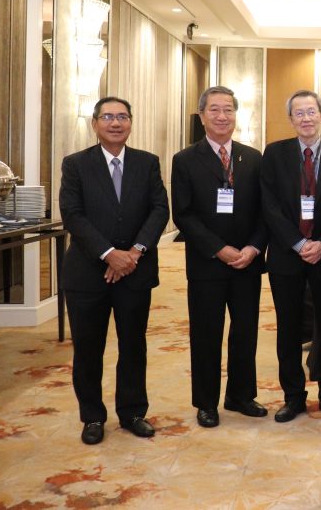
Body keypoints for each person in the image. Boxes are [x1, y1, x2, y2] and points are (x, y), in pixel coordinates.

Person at [59, 97, 170, 445]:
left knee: (133, 345)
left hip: (135, 271)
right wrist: (109, 254)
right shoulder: (76, 164)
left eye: (122, 116)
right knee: (88, 349)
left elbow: (159, 210)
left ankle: (133, 412)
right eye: (108, 117)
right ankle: (92, 416)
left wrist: (134, 253)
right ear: (95, 124)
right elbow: (72, 214)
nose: (116, 123)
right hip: (87, 273)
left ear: (131, 123)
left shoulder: (147, 162)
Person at [171, 86, 268, 428]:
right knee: (206, 334)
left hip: (247, 262)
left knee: (245, 332)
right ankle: (206, 402)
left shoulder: (253, 157)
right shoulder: (185, 159)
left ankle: (241, 395)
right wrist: (218, 249)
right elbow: (183, 214)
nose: (222, 116)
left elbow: (265, 211)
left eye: (228, 109)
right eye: (214, 109)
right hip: (207, 263)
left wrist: (253, 248)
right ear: (202, 116)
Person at [261, 90, 321, 423]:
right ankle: (293, 397)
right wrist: (298, 244)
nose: (306, 118)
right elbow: (269, 205)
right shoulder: (274, 154)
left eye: (311, 112)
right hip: (287, 255)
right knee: (288, 327)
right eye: (298, 113)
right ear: (291, 119)